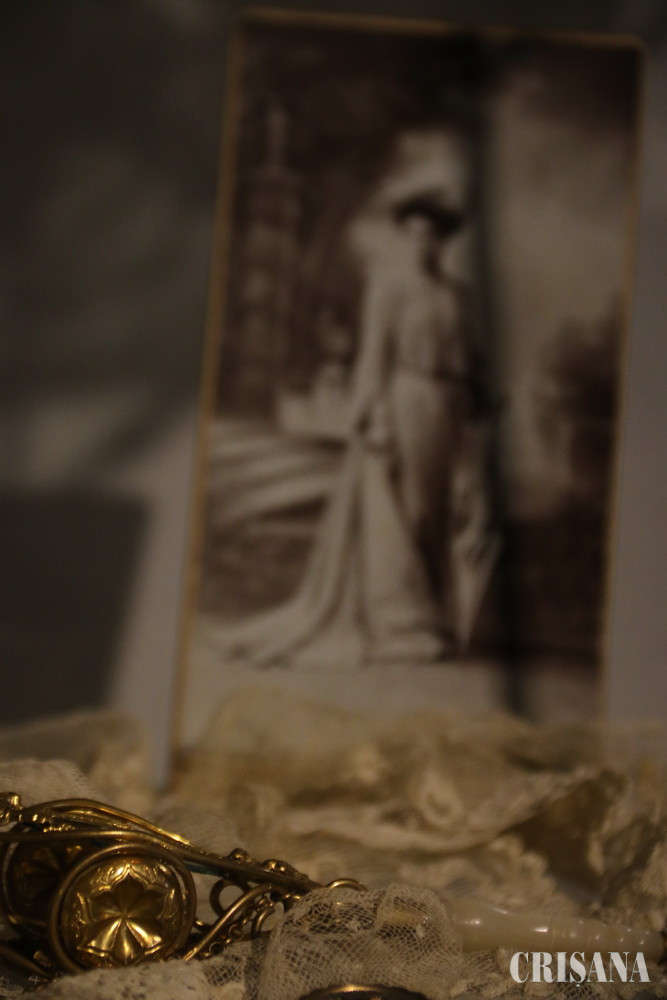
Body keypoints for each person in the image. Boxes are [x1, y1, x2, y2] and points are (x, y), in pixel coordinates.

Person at [204, 190, 491, 668]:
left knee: (437, 511)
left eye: (431, 235)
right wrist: (375, 418)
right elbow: (373, 356)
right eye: (413, 233)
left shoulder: (457, 295)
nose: (422, 243)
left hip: (450, 408)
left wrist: (480, 412)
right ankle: (401, 620)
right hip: (404, 398)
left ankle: (438, 616)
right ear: (404, 237)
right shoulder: (389, 286)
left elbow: (475, 360)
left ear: (444, 241)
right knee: (406, 508)